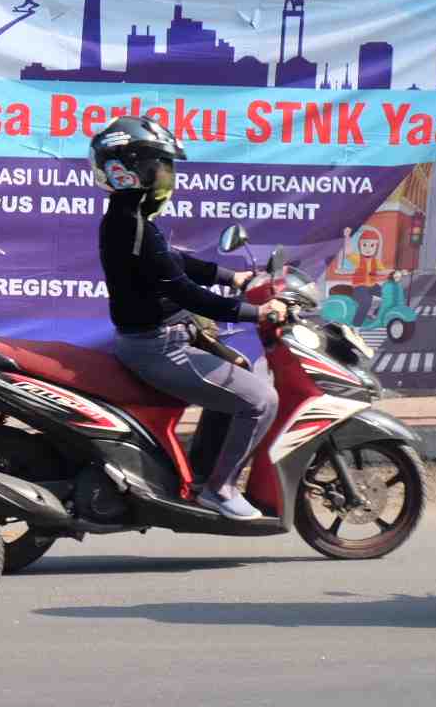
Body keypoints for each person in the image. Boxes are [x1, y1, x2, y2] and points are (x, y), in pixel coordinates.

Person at [92, 116, 289, 520]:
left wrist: (230, 276)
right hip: (157, 349)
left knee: (240, 369)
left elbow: (174, 262)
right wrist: (257, 312)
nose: (167, 176)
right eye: (159, 167)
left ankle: (201, 476)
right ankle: (218, 489)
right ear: (127, 171)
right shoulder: (131, 226)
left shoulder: (130, 221)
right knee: (261, 400)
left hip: (166, 339)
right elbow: (184, 291)